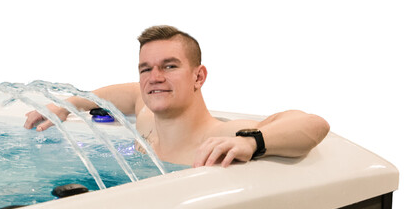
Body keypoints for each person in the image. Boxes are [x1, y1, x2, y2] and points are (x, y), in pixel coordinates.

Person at [23, 25, 330, 167]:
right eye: (146, 69)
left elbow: (313, 124)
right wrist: (66, 106)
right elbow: (131, 93)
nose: (154, 78)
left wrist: (252, 142)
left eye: (169, 67)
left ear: (199, 76)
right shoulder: (147, 124)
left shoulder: (221, 137)